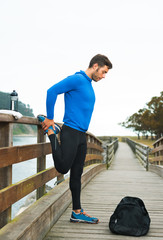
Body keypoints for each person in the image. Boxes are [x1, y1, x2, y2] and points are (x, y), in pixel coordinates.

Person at [38, 54, 112, 224]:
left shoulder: (87, 84)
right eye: (103, 71)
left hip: (81, 135)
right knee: (63, 167)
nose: (103, 76)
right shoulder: (77, 79)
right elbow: (52, 91)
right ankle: (51, 131)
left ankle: (76, 212)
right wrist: (50, 118)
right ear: (95, 66)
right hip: (70, 131)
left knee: (77, 174)